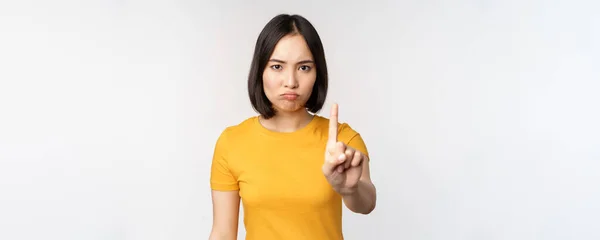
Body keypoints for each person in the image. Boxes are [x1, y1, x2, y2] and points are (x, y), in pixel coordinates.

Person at [209, 13, 377, 240]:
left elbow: (367, 203)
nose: (291, 81)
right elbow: (222, 233)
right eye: (277, 66)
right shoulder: (232, 142)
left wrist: (350, 189)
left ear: (318, 73)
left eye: (304, 68)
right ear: (260, 70)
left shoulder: (341, 140)